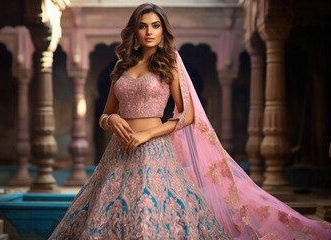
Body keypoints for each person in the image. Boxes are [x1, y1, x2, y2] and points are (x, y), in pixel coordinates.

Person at [49, 3, 331, 239]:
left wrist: (147, 135)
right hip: (118, 153)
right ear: (134, 31)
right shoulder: (122, 67)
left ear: (163, 30)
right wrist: (110, 122)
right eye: (143, 25)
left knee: (150, 213)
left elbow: (187, 115)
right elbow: (105, 113)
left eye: (156, 25)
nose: (149, 32)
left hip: (155, 151)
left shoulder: (169, 62)